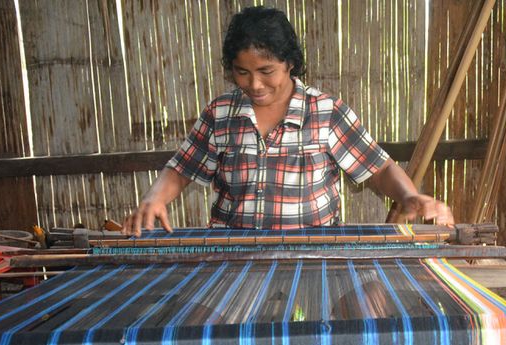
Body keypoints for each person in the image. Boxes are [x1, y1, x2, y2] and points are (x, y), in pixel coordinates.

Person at [122, 6, 453, 236]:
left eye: (266, 71)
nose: (254, 84)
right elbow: (181, 169)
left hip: (315, 253)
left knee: (349, 322)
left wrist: (410, 197)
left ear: (290, 63)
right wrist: (154, 199)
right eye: (242, 72)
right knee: (207, 327)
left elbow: (378, 168)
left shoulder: (325, 111)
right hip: (234, 254)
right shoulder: (220, 114)